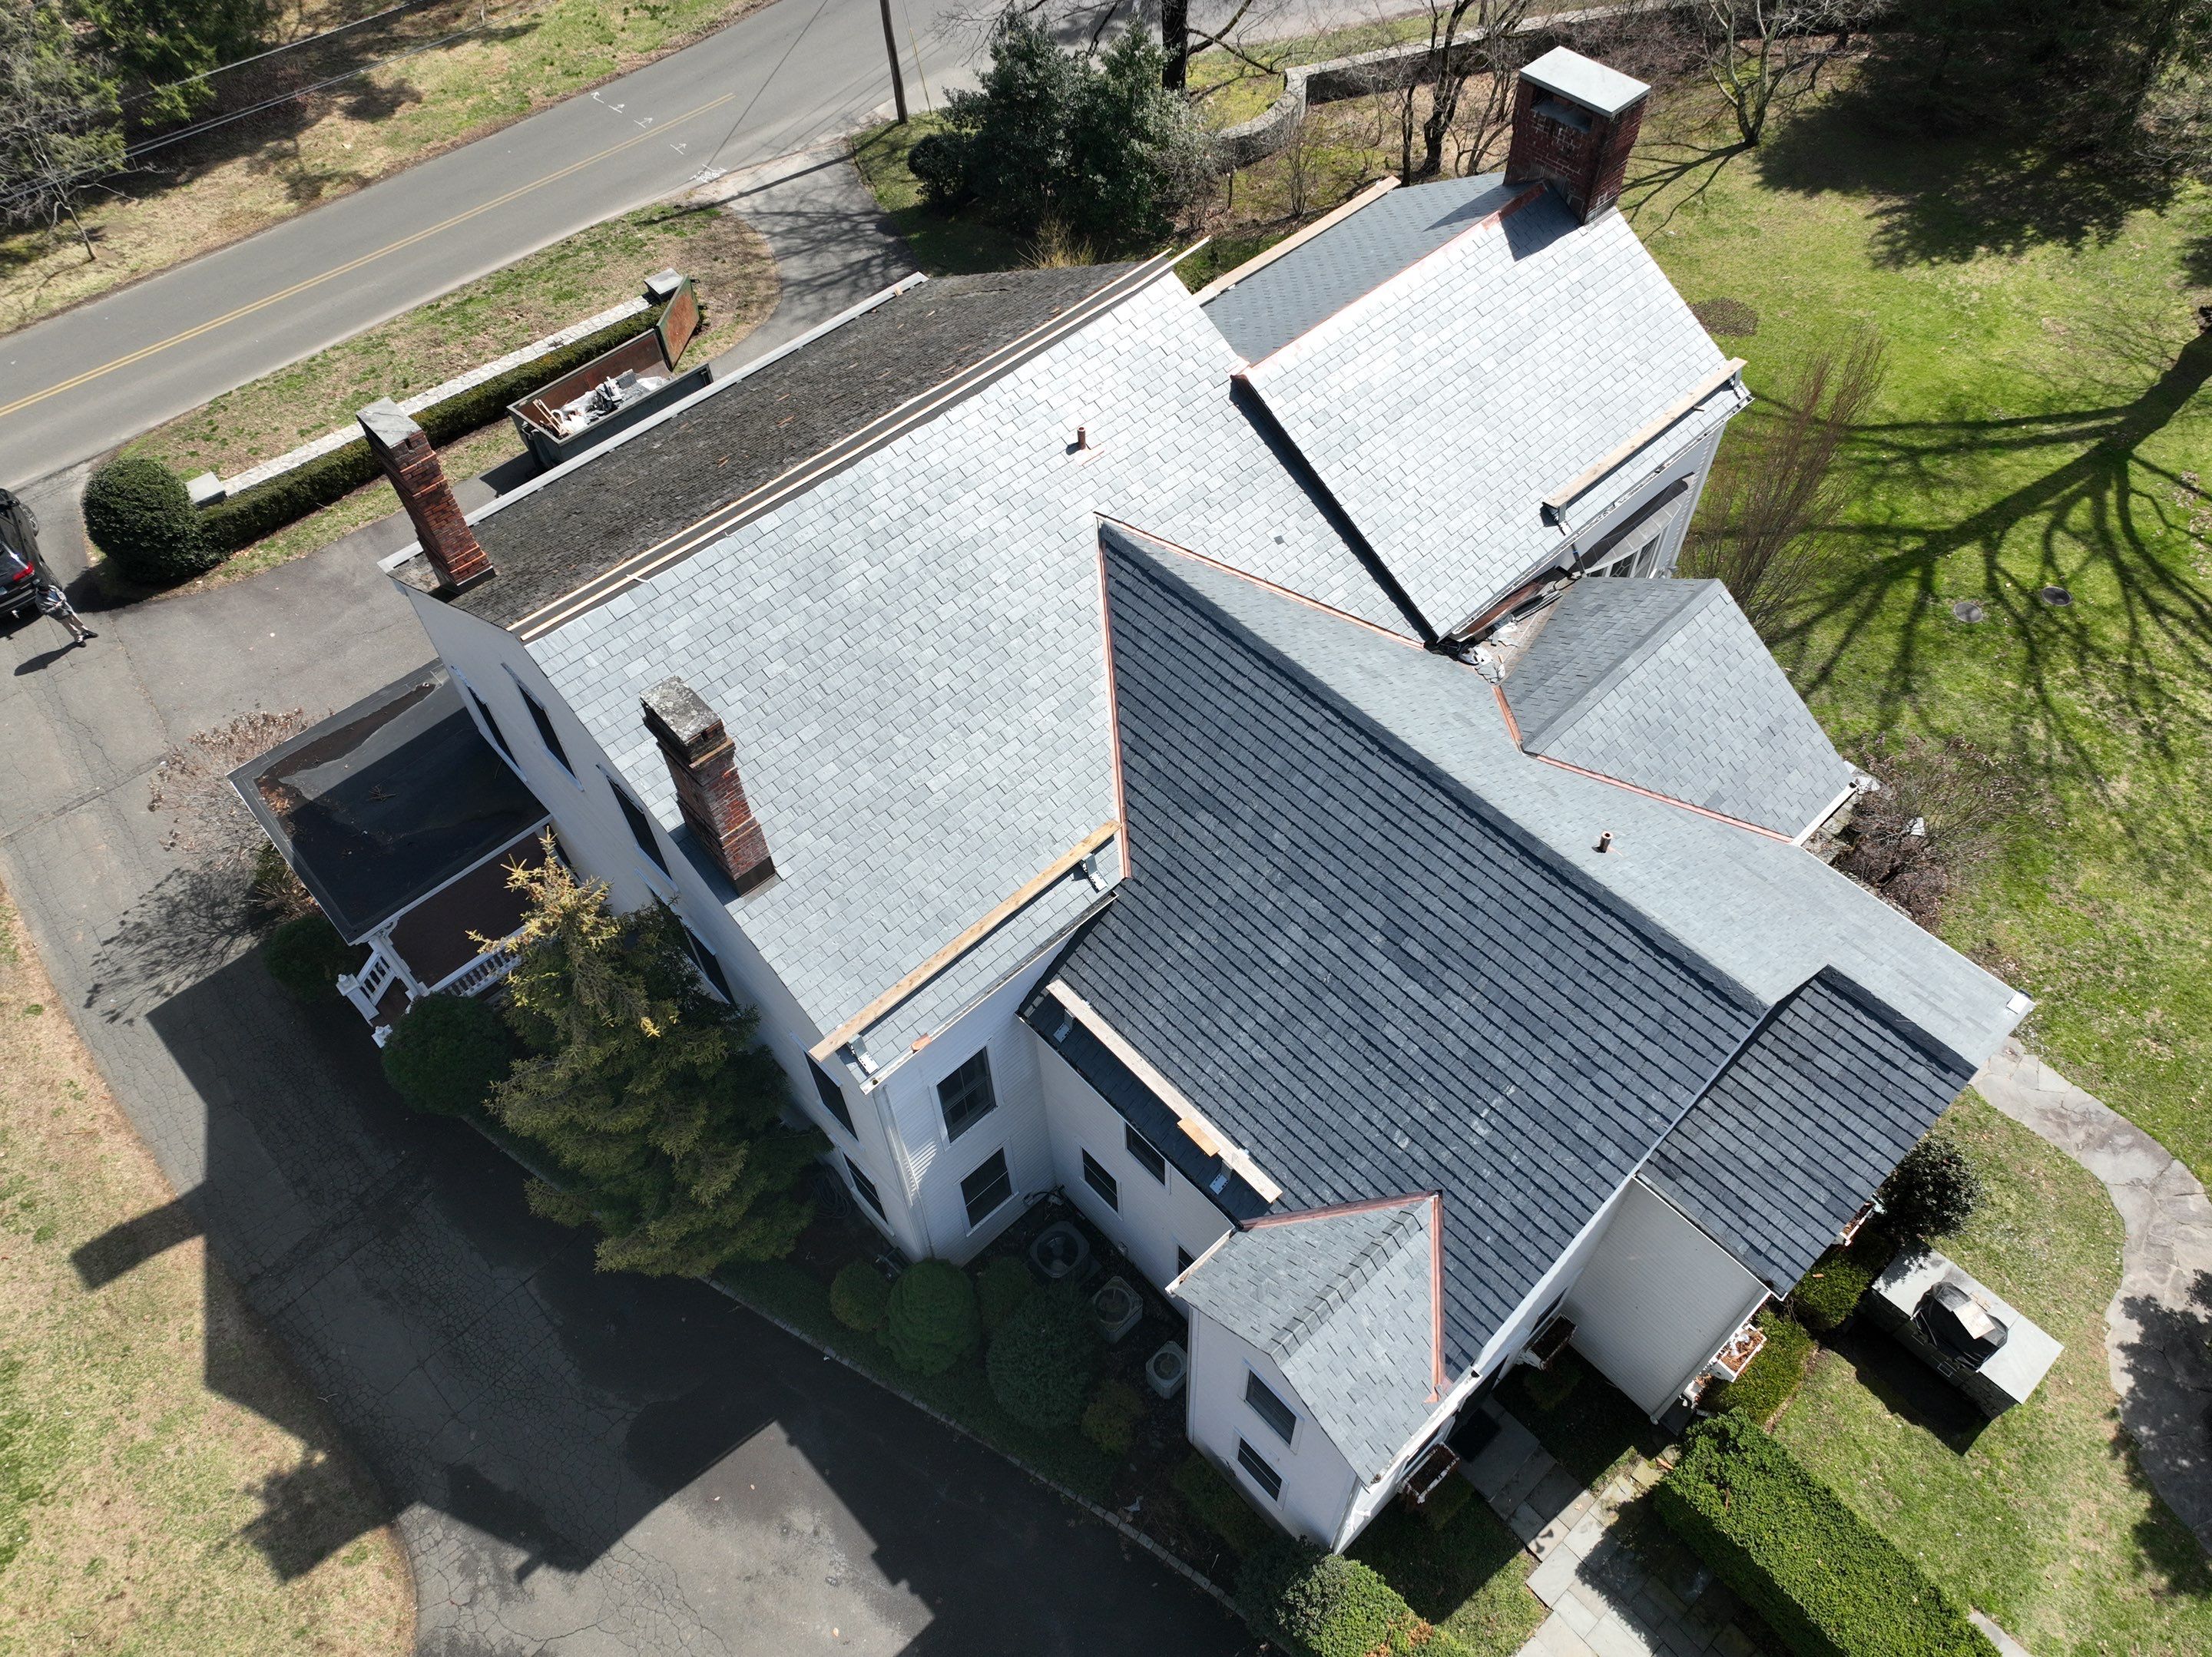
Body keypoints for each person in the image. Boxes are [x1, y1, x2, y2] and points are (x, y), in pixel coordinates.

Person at [33, 574, 92, 646]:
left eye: (49, 590)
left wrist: (62, 598)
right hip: (60, 615)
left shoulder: (52, 588)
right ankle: (79, 639)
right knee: (71, 627)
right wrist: (56, 607)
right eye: (46, 592)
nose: (49, 592)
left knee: (77, 621)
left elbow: (60, 593)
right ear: (41, 591)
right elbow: (45, 612)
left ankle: (85, 632)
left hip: (67, 608)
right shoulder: (39, 600)